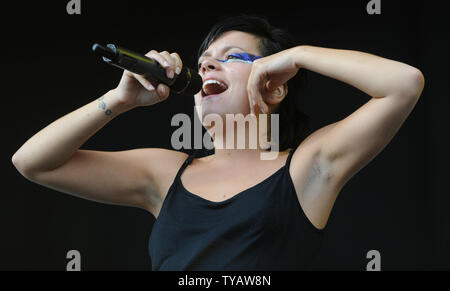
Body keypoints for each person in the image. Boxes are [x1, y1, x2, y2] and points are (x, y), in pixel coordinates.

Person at [12, 15, 424, 270]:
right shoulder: (165, 172)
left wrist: (296, 56)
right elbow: (33, 162)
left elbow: (403, 84)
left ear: (275, 86)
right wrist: (119, 101)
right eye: (206, 59)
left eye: (232, 57)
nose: (207, 63)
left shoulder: (305, 169)